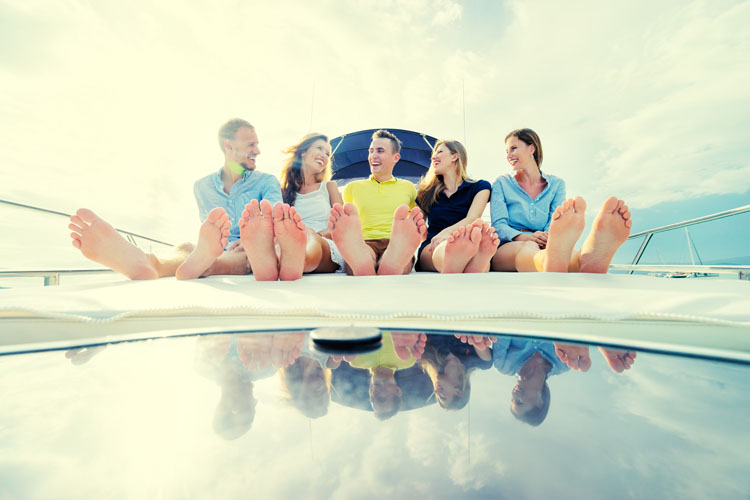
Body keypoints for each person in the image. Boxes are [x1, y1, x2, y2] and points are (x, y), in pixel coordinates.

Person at [68, 118, 281, 280]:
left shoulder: (267, 182)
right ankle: (151, 263)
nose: (258, 151)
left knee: (245, 257)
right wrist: (209, 248)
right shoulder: (202, 187)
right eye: (251, 145)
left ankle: (208, 265)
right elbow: (211, 233)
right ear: (229, 146)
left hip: (253, 251)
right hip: (217, 249)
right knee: (186, 247)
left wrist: (246, 241)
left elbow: (273, 221)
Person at [489, 129, 632, 273]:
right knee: (528, 248)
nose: (508, 155)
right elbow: (499, 225)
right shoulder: (501, 183)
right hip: (510, 245)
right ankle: (550, 261)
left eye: (513, 149)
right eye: (506, 151)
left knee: (560, 250)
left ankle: (587, 258)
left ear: (532, 148)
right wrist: (528, 237)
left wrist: (546, 238)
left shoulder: (556, 184)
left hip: (547, 242)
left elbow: (555, 223)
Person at [236, 133, 344, 281]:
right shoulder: (283, 191)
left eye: (327, 153)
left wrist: (309, 234)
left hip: (322, 242)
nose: (324, 155)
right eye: (319, 148)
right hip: (287, 244)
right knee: (278, 241)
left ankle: (292, 261)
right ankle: (274, 263)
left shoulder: (329, 187)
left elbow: (341, 226)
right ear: (303, 151)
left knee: (308, 237)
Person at [328, 130, 427, 276]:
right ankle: (364, 261)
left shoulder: (408, 187)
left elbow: (418, 219)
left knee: (398, 257)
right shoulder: (352, 188)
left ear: (396, 157)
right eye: (371, 151)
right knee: (364, 255)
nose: (373, 155)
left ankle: (391, 260)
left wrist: (419, 228)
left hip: (397, 243)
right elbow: (345, 221)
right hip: (363, 243)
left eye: (380, 151)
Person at [415, 140, 498, 273]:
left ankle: (470, 259)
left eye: (440, 152)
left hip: (467, 239)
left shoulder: (480, 187)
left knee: (463, 245)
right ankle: (464, 259)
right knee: (443, 248)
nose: (433, 156)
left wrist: (446, 233)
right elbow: (417, 226)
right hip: (433, 244)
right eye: (434, 153)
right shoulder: (425, 192)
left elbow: (473, 217)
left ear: (455, 156)